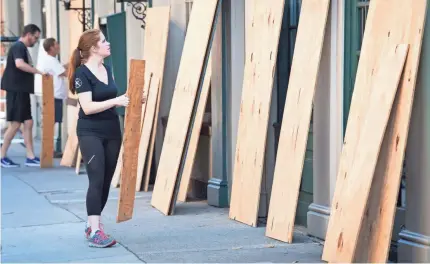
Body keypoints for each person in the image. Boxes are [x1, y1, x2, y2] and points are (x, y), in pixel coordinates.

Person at [68, 28, 145, 248]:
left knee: (106, 181)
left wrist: (134, 99)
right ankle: (94, 230)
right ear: (93, 48)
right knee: (96, 178)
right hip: (90, 131)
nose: (108, 43)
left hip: (112, 130)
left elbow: (115, 98)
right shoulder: (82, 74)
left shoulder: (107, 69)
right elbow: (88, 107)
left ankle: (92, 224)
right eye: (103, 41)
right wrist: (117, 101)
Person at [1, 24, 45, 168]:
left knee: (28, 122)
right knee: (15, 124)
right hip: (16, 90)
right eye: (35, 38)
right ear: (29, 35)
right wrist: (37, 71)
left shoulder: (22, 48)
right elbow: (19, 64)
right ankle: (2, 156)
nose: (36, 41)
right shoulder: (19, 47)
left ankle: (30, 156)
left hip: (22, 90)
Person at [36, 38, 68, 152]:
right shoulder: (51, 60)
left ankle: (49, 150)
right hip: (54, 96)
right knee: (51, 122)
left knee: (50, 122)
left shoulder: (52, 60)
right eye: (56, 44)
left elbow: (61, 69)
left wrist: (72, 63)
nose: (58, 46)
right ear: (51, 48)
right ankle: (48, 150)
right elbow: (64, 73)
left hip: (54, 96)